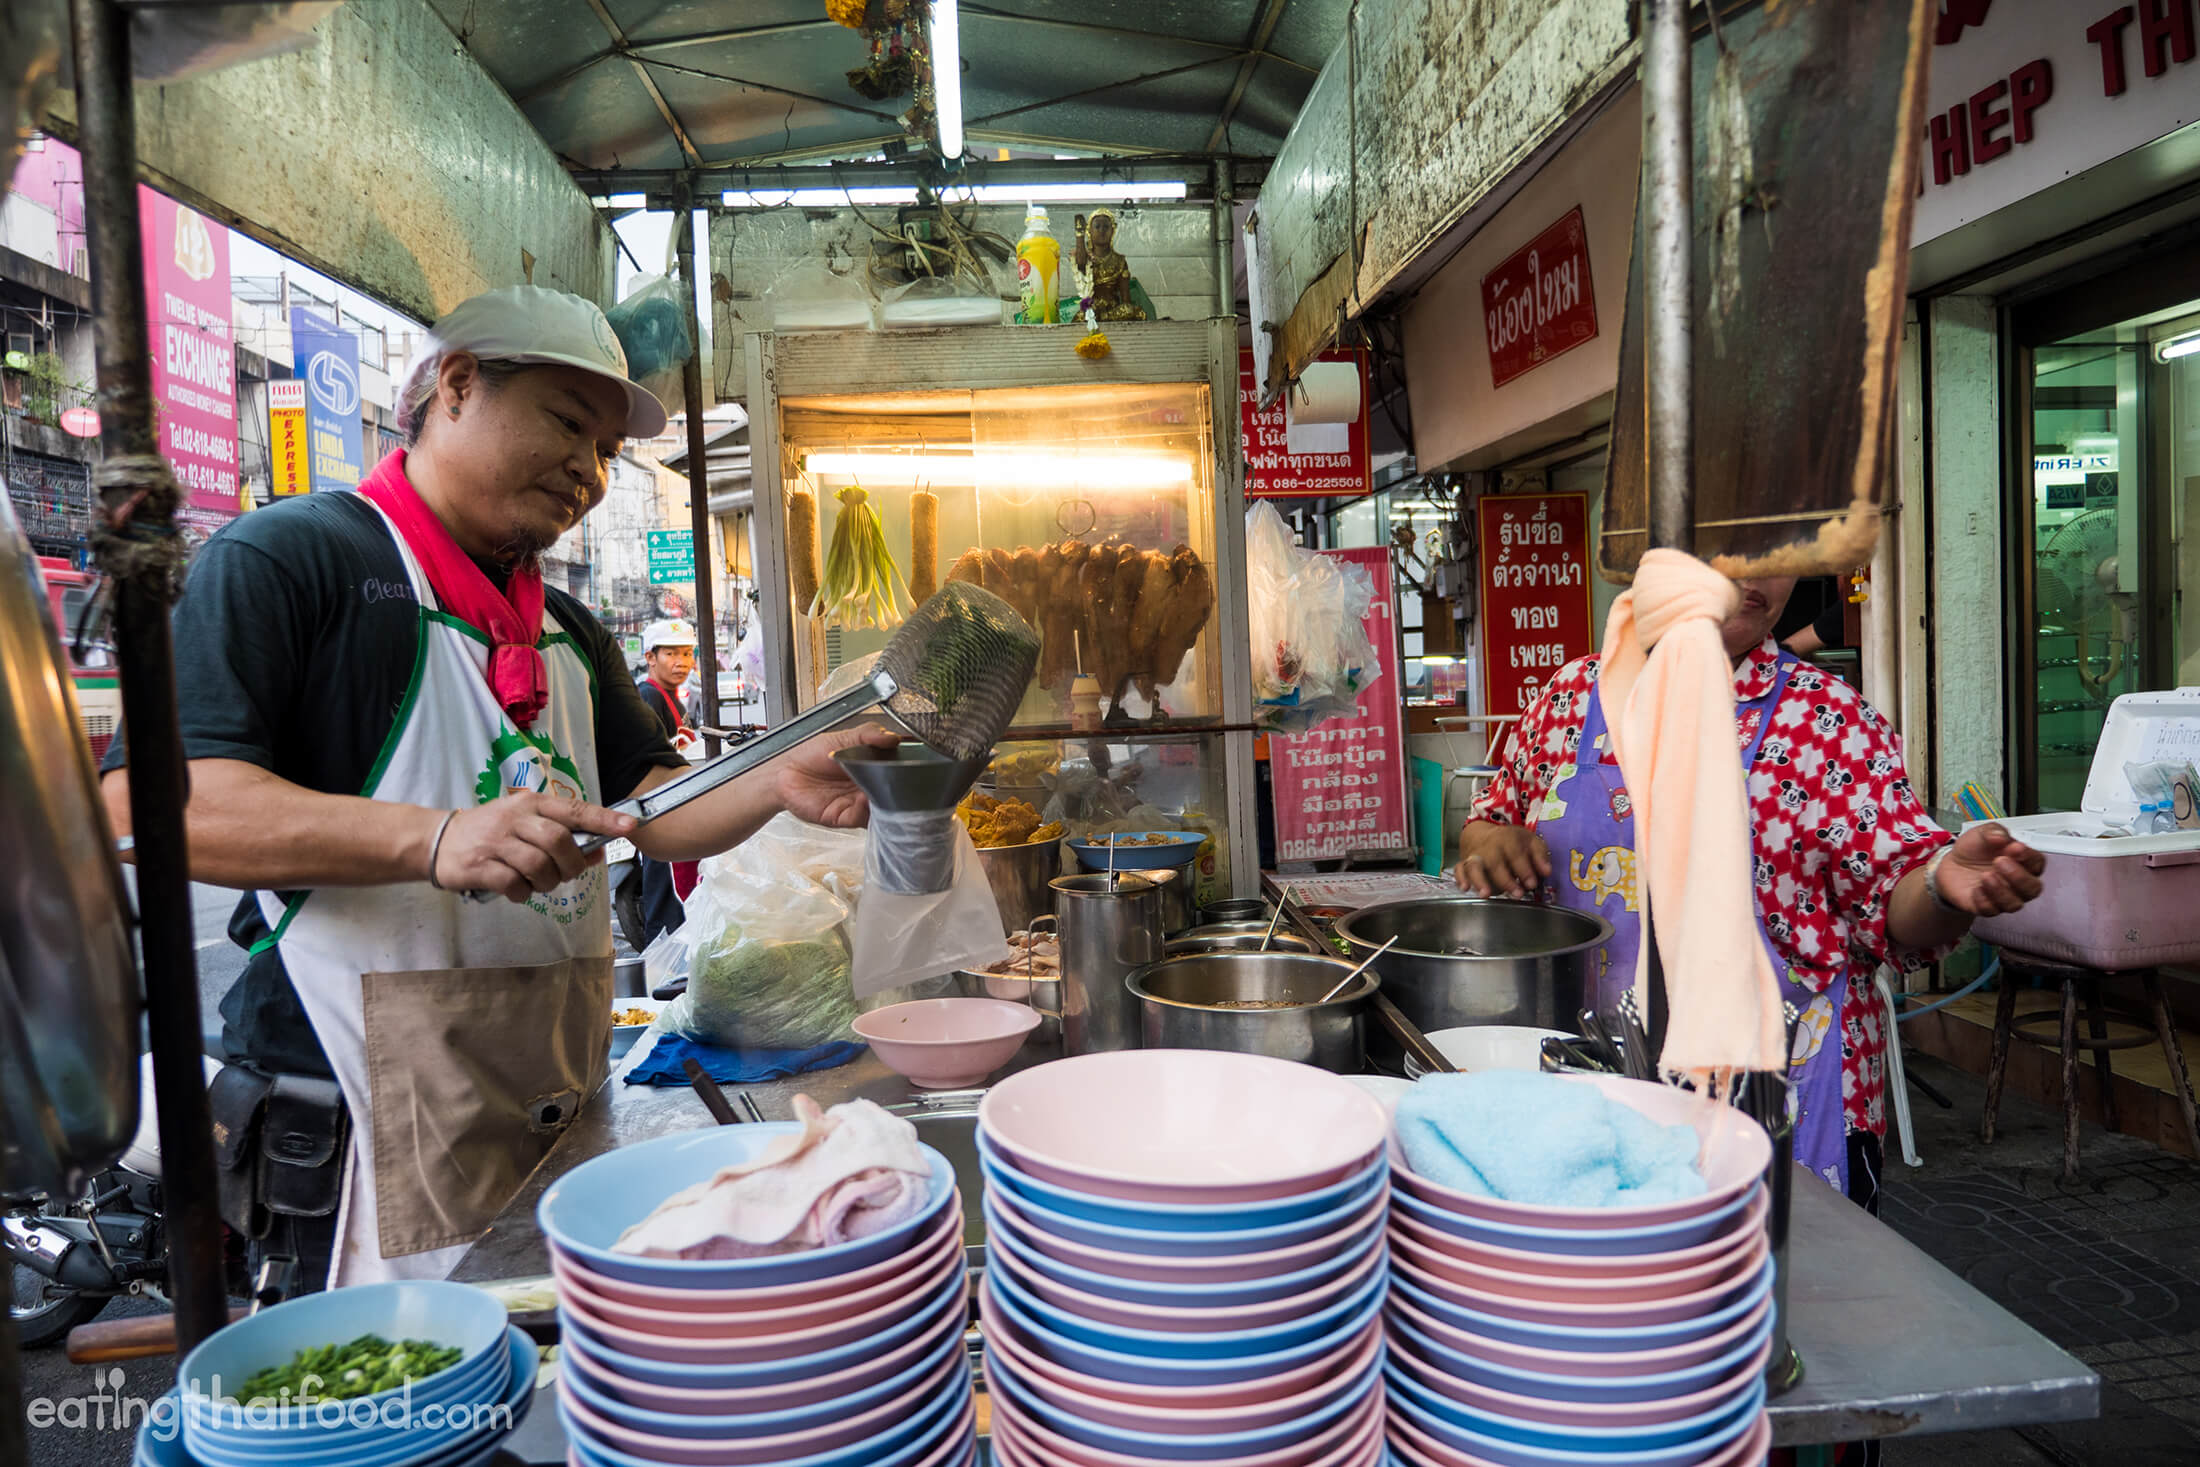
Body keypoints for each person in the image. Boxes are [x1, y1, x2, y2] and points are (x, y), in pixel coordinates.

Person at [99, 285, 891, 1291]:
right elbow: (154, 808)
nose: (590, 473)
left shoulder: (565, 624)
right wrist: (435, 840)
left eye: (607, 449)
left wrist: (776, 779)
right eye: (568, 423)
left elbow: (649, 808)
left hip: (541, 1095)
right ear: (458, 386)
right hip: (358, 1112)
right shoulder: (298, 558)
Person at [1455, 574, 2045, 1214]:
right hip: (1589, 1100)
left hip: (1783, 1101)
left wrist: (1941, 884)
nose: (1753, 572)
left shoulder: (1828, 719)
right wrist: (1487, 840)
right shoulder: (1570, 695)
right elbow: (1492, 816)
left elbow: (1893, 908)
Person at [629, 618, 701, 948]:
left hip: (676, 805)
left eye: (687, 653)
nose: (681, 662)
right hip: (660, 808)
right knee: (664, 890)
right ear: (650, 657)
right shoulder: (649, 697)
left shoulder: (672, 696)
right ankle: (661, 959)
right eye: (671, 654)